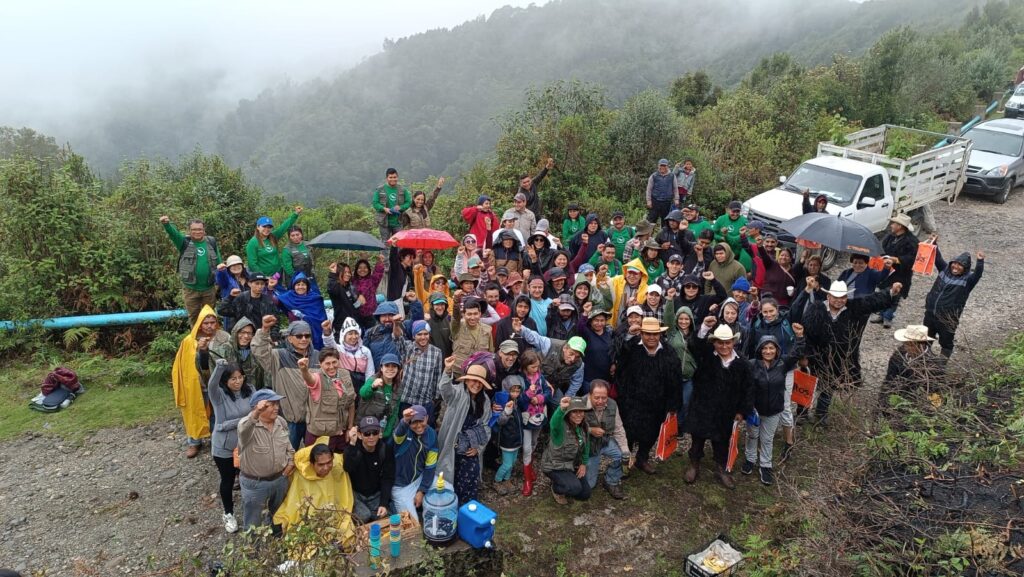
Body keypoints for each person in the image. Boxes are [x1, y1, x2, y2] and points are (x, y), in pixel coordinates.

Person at [790, 279, 903, 424]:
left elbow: (872, 301)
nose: (839, 301)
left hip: (836, 357)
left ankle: (821, 415)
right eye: (836, 297)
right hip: (814, 355)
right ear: (828, 297)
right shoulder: (815, 309)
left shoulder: (853, 307)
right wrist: (804, 355)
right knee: (806, 384)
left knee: (828, 386)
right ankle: (802, 413)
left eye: (843, 297)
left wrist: (891, 292)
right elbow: (806, 333)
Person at [685, 321, 753, 490]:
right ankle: (694, 465)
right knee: (697, 440)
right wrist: (705, 328)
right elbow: (694, 345)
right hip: (703, 406)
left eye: (727, 342)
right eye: (720, 342)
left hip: (726, 411)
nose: (724, 346)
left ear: (733, 342)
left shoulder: (743, 363)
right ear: (714, 342)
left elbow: (748, 389)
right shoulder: (706, 356)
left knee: (722, 441)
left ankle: (721, 469)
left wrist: (742, 411)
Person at [615, 317, 682, 474]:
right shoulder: (631, 348)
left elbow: (675, 380)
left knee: (651, 433)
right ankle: (625, 461)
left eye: (655, 334)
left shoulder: (669, 352)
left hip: (657, 403)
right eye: (647, 334)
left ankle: (642, 459)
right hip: (632, 402)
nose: (651, 337)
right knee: (628, 433)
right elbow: (619, 360)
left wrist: (673, 405)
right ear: (641, 334)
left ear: (660, 334)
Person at [742, 327, 805, 486]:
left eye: (771, 348)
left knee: (767, 439)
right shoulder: (752, 365)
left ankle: (765, 465)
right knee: (752, 436)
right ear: (759, 349)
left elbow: (797, 353)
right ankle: (750, 459)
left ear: (777, 350)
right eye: (764, 348)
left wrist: (799, 337)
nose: (768, 351)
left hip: (774, 410)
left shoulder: (783, 364)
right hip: (754, 411)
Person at [273, 439, 355, 546]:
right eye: (321, 465)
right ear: (312, 463)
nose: (326, 468)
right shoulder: (302, 475)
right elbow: (294, 500)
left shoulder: (337, 466)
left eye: (329, 463)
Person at [253, 315, 319, 450]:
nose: (304, 339)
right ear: (289, 338)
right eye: (299, 336)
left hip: (314, 419)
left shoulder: (318, 356)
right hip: (289, 420)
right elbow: (259, 351)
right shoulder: (279, 356)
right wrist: (265, 329)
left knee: (313, 458)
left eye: (307, 335)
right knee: (285, 457)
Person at [173, 305, 230, 457]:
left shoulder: (224, 337)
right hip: (197, 385)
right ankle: (194, 442)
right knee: (194, 412)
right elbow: (182, 365)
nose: (210, 326)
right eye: (206, 323)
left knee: (216, 412)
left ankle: (215, 439)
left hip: (217, 384)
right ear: (199, 323)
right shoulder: (189, 341)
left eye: (212, 322)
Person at [435, 357, 492, 504]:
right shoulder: (457, 393)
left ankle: (466, 511)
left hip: (469, 447)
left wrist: (478, 448)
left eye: (480, 382)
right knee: (448, 478)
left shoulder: (484, 401)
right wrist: (447, 370)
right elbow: (444, 389)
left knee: (469, 478)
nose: (476, 384)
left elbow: (486, 426)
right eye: (473, 380)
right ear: (466, 380)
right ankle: (448, 509)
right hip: (452, 444)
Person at [206, 359, 253, 533]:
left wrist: (227, 424)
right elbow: (211, 385)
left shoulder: (250, 391)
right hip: (224, 447)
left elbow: (257, 413)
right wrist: (219, 367)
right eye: (233, 378)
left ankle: (253, 509)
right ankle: (228, 513)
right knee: (228, 480)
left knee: (248, 477)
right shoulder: (219, 396)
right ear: (225, 381)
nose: (238, 381)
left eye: (240, 377)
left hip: (246, 444)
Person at [237, 388, 294, 531]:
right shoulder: (247, 426)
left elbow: (288, 445)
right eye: (271, 404)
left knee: (279, 515)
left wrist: (290, 461)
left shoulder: (280, 422)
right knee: (253, 523)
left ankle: (277, 541)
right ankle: (252, 551)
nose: (276, 408)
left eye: (277, 404)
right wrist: (256, 412)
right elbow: (244, 428)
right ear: (258, 407)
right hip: (255, 484)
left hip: (280, 479)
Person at [922, 248, 984, 357]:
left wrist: (980, 261)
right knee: (926, 338)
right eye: (954, 263)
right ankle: (924, 358)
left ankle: (941, 365)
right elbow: (937, 257)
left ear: (965, 268)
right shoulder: (944, 270)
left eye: (960, 265)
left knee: (946, 343)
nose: (955, 267)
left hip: (948, 319)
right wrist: (934, 243)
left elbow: (978, 274)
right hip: (930, 313)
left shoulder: (968, 280)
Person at [160, 215, 222, 326]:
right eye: (194, 229)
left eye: (199, 229)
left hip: (209, 289)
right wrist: (166, 224)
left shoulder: (211, 242)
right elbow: (173, 234)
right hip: (190, 289)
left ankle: (210, 340)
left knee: (210, 317)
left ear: (204, 230)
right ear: (190, 231)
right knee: (194, 316)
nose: (197, 232)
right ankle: (195, 341)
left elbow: (219, 261)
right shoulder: (184, 242)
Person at [298, 348, 356, 452]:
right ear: (320, 364)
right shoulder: (317, 378)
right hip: (320, 436)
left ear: (339, 361)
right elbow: (309, 380)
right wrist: (304, 370)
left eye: (334, 362)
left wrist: (350, 427)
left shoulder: (345, 374)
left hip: (341, 434)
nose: (331, 366)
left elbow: (351, 403)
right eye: (327, 364)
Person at [516, 318, 586, 398]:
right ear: (565, 348)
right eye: (571, 353)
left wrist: (567, 397)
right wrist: (521, 329)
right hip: (533, 381)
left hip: (553, 388)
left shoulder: (579, 365)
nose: (573, 359)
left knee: (559, 405)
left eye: (577, 356)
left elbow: (576, 382)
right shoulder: (550, 344)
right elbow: (535, 338)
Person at [343, 417, 395, 523]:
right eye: (367, 433)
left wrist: (383, 503)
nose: (371, 437)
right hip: (356, 494)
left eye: (374, 433)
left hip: (375, 494)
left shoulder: (385, 449)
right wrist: (352, 444)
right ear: (360, 435)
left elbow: (388, 477)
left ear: (379, 433)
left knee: (387, 517)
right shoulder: (353, 449)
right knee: (364, 516)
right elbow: (347, 467)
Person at [391, 405, 439, 520]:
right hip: (401, 486)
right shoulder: (404, 431)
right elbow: (397, 436)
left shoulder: (432, 434)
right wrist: (404, 421)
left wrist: (422, 491)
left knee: (448, 489)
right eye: (413, 422)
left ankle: (428, 512)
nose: (418, 426)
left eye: (421, 421)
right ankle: (393, 506)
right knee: (413, 523)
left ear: (427, 418)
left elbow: (430, 466)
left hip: (419, 478)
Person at [583, 380, 628, 499]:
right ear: (589, 395)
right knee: (590, 485)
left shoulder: (613, 404)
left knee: (622, 456)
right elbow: (571, 428)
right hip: (588, 446)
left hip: (605, 441)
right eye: (596, 398)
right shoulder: (580, 404)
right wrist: (590, 430)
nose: (600, 401)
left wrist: (626, 451)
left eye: (604, 398)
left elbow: (618, 429)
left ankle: (611, 481)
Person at [543, 396, 592, 504]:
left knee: (585, 494)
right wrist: (561, 409)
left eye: (581, 411)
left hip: (571, 465)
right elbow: (553, 424)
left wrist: (583, 464)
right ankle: (556, 488)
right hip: (555, 466)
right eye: (574, 412)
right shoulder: (560, 427)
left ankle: (567, 482)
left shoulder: (584, 426)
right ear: (568, 413)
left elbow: (586, 446)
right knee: (574, 488)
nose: (579, 415)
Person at [874, 214, 919, 329]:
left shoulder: (912, 241)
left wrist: (896, 260)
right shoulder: (890, 237)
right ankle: (882, 314)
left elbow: (912, 259)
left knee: (895, 295)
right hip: (887, 271)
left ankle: (888, 317)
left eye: (893, 223)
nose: (891, 225)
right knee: (884, 293)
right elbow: (882, 249)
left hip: (901, 274)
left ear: (900, 226)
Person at [395, 320, 444, 419]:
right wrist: (396, 324)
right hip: (406, 399)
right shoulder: (408, 347)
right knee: (404, 428)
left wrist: (435, 398)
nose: (423, 337)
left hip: (425, 401)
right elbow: (397, 338)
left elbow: (437, 376)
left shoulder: (437, 352)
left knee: (425, 429)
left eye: (425, 334)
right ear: (413, 336)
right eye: (419, 334)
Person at [209, 317, 271, 391]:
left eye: (249, 333)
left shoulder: (257, 351)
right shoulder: (223, 350)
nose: (246, 336)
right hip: (230, 396)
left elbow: (267, 372)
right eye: (242, 332)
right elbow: (215, 376)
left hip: (255, 395)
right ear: (235, 333)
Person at [217, 273, 281, 343]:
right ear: (249, 284)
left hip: (261, 335)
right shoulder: (241, 298)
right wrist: (230, 297)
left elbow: (275, 320)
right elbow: (221, 310)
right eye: (257, 283)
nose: (260, 286)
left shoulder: (268, 301)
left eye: (262, 284)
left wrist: (273, 336)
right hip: (243, 335)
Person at [663, 302, 698, 429]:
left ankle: (680, 427)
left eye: (686, 319)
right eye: (681, 319)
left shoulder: (695, 335)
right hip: (673, 376)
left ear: (691, 320)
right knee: (671, 403)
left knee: (685, 402)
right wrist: (670, 300)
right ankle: (668, 427)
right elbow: (667, 316)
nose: (683, 321)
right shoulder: (672, 333)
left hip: (689, 377)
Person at [271, 272, 328, 350]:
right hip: (295, 335)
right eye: (298, 285)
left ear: (307, 286)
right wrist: (271, 286)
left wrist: (304, 317)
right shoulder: (289, 297)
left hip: (313, 335)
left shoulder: (315, 299)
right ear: (294, 286)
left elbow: (321, 319)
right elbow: (274, 300)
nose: (300, 287)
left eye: (303, 284)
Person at [884, 325, 946, 393]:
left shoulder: (933, 364)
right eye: (905, 343)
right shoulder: (898, 355)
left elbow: (936, 390)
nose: (906, 347)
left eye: (910, 345)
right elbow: (889, 379)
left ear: (921, 345)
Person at [245, 208, 301, 281]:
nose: (267, 229)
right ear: (258, 227)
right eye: (264, 226)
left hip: (277, 274)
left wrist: (295, 214)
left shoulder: (273, 237)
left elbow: (284, 227)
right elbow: (252, 264)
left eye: (269, 227)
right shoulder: (253, 242)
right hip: (264, 278)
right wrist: (263, 277)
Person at [323, 317, 375, 395]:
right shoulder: (338, 349)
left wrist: (366, 389)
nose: (354, 337)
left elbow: (370, 373)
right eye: (350, 334)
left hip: (362, 386)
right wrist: (327, 332)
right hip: (344, 386)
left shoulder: (365, 351)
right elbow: (329, 343)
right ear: (344, 335)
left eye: (356, 333)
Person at [358, 353, 403, 439]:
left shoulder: (399, 386)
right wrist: (372, 387)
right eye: (387, 366)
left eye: (394, 366)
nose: (390, 369)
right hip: (367, 426)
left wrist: (387, 432)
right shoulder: (373, 380)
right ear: (381, 368)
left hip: (384, 428)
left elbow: (395, 412)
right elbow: (362, 393)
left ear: (398, 369)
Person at [492, 379, 525, 495]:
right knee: (507, 464)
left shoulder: (517, 402)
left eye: (517, 391)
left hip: (516, 440)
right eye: (513, 391)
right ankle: (497, 480)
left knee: (513, 461)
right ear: (507, 390)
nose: (515, 394)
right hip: (507, 441)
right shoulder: (502, 402)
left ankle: (507, 480)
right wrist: (507, 411)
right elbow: (500, 421)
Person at [451, 296, 494, 376]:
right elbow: (455, 318)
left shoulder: (487, 330)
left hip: (478, 374)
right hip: (459, 374)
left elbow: (490, 353)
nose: (472, 317)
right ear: (464, 314)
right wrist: (456, 302)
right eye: (469, 314)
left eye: (475, 314)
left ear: (480, 314)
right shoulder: (458, 327)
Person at [372, 168, 411, 241]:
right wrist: (384, 209)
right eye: (390, 177)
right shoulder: (380, 189)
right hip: (384, 221)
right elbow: (375, 203)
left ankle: (396, 253)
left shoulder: (403, 189)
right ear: (387, 178)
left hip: (398, 221)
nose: (393, 179)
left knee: (399, 243)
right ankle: (384, 253)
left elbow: (408, 202)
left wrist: (401, 207)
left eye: (395, 177)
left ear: (397, 177)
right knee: (385, 243)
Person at [609, 260, 649, 328]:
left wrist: (638, 305)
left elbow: (648, 310)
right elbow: (602, 283)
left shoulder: (647, 289)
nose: (632, 276)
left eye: (635, 273)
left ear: (641, 275)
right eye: (629, 273)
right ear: (625, 273)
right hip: (612, 324)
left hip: (634, 327)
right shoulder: (616, 281)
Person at [327, 262, 362, 338]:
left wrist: (360, 302)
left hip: (354, 323)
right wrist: (333, 274)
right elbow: (332, 289)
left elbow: (353, 306)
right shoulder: (337, 287)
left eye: (349, 272)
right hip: (341, 324)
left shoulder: (350, 287)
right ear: (339, 273)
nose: (348, 274)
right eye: (345, 272)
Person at [645, 158, 680, 226]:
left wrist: (676, 199)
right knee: (651, 220)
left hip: (667, 202)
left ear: (667, 166)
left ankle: (664, 235)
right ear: (658, 166)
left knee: (665, 220)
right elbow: (649, 189)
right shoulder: (653, 176)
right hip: (655, 201)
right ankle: (648, 235)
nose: (662, 167)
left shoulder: (672, 176)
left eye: (664, 166)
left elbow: (675, 188)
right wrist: (648, 201)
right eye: (661, 165)